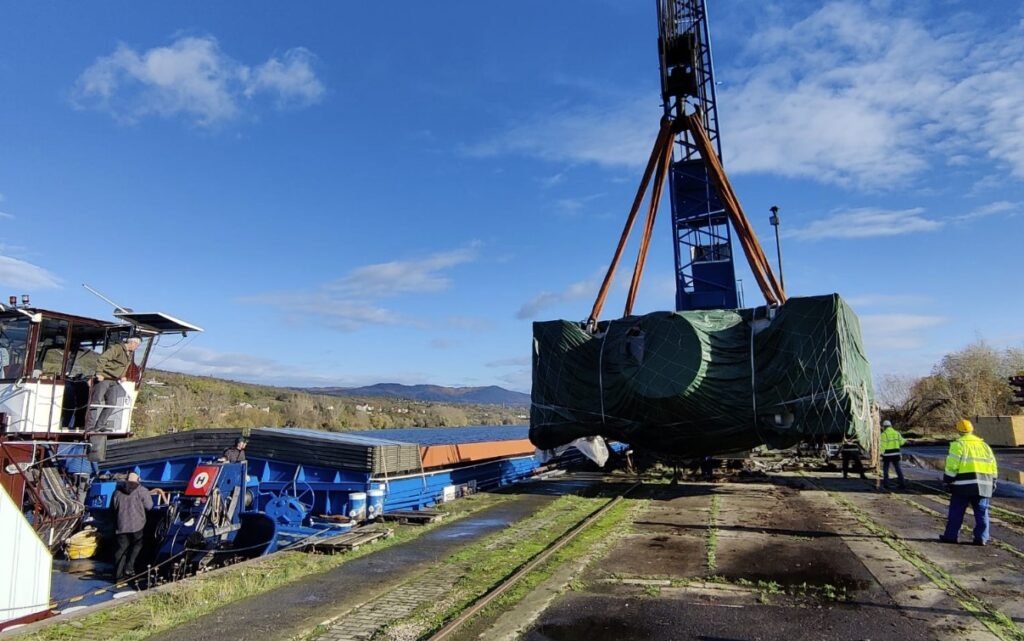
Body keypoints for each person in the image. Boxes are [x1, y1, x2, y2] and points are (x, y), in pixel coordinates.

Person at [940, 419, 998, 546]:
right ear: (972, 430)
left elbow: (952, 466)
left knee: (956, 512)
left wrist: (947, 481)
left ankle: (951, 536)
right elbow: (993, 465)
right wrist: (993, 481)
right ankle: (981, 538)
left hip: (963, 486)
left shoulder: (958, 445)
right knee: (982, 513)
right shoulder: (984, 446)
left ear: (958, 431)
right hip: (984, 485)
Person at [86, 337, 141, 432]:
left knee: (112, 403)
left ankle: (100, 426)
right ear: (132, 343)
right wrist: (99, 373)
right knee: (95, 402)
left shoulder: (129, 354)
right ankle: (89, 427)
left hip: (114, 381)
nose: (137, 348)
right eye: (137, 345)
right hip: (104, 378)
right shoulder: (117, 348)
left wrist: (122, 376)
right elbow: (103, 358)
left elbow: (125, 366)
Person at [111, 471, 153, 583]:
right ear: (138, 480)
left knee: (121, 550)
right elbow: (149, 506)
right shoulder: (142, 490)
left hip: (122, 526)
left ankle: (118, 576)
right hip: (137, 525)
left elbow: (114, 508)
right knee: (137, 546)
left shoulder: (117, 492)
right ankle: (129, 569)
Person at [880, 420, 907, 490]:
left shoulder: (883, 434)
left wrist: (881, 454)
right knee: (898, 469)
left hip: (887, 455)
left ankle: (886, 484)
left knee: (886, 469)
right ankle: (902, 484)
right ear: (891, 426)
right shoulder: (896, 433)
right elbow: (901, 442)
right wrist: (905, 440)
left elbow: (883, 446)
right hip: (896, 454)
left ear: (884, 427)